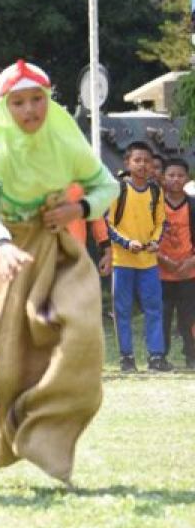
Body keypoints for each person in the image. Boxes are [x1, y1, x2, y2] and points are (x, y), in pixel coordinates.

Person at [0, 60, 119, 484]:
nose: (30, 110)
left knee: (81, 331)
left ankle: (47, 437)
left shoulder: (66, 141)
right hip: (2, 253)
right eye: (19, 103)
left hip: (52, 244)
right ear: (4, 107)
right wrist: (2, 247)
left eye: (37, 100)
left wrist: (78, 208)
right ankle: (15, 432)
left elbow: (108, 186)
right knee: (3, 355)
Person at [106, 141, 170, 372]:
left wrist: (154, 242)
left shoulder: (155, 190)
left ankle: (156, 357)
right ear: (127, 163)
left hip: (148, 263)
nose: (142, 165)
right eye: (137, 160)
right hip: (122, 262)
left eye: (147, 161)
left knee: (154, 310)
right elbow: (109, 224)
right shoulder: (118, 189)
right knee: (122, 311)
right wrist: (126, 242)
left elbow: (161, 222)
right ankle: (126, 357)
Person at [158, 158, 195, 368]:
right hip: (161, 272)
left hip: (188, 272)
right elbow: (147, 237)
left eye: (180, 175)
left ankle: (191, 355)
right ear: (163, 178)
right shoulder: (154, 205)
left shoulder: (193, 205)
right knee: (162, 316)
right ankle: (160, 356)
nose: (175, 179)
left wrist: (190, 262)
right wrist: (162, 260)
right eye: (171, 175)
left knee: (188, 317)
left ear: (187, 179)